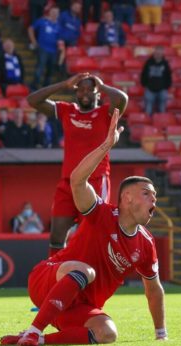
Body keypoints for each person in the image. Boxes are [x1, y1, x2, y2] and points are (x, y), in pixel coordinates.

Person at [1, 110, 166, 346]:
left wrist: (161, 334)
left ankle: (38, 339)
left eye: (155, 196)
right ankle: (34, 330)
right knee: (86, 271)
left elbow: (154, 289)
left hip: (77, 306)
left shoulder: (146, 243)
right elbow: (77, 180)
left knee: (107, 333)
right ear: (127, 198)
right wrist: (106, 146)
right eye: (147, 194)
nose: (154, 200)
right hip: (47, 280)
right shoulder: (103, 214)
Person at [27, 72, 128, 257]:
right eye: (81, 89)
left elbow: (122, 99)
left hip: (95, 181)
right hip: (68, 182)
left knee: (91, 235)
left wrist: (102, 85)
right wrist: (63, 84)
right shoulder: (68, 110)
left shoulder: (106, 113)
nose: (85, 93)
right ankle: (54, 276)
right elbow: (33, 100)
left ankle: (91, 278)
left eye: (90, 89)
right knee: (56, 237)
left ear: (98, 93)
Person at [29, 7, 60, 89]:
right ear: (49, 12)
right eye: (53, 12)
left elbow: (60, 38)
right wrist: (33, 41)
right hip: (43, 48)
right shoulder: (43, 21)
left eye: (56, 13)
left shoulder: (58, 25)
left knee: (50, 70)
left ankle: (46, 89)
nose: (54, 14)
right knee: (40, 68)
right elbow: (31, 28)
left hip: (53, 50)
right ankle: (34, 87)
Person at [140, 46, 172, 116]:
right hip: (150, 89)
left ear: (162, 53)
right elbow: (143, 74)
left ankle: (161, 124)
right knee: (148, 110)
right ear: (154, 52)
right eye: (157, 52)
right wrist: (145, 84)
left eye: (160, 52)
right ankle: (148, 125)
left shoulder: (165, 63)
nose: (158, 54)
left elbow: (168, 76)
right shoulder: (148, 62)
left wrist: (166, 86)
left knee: (162, 110)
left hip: (162, 90)